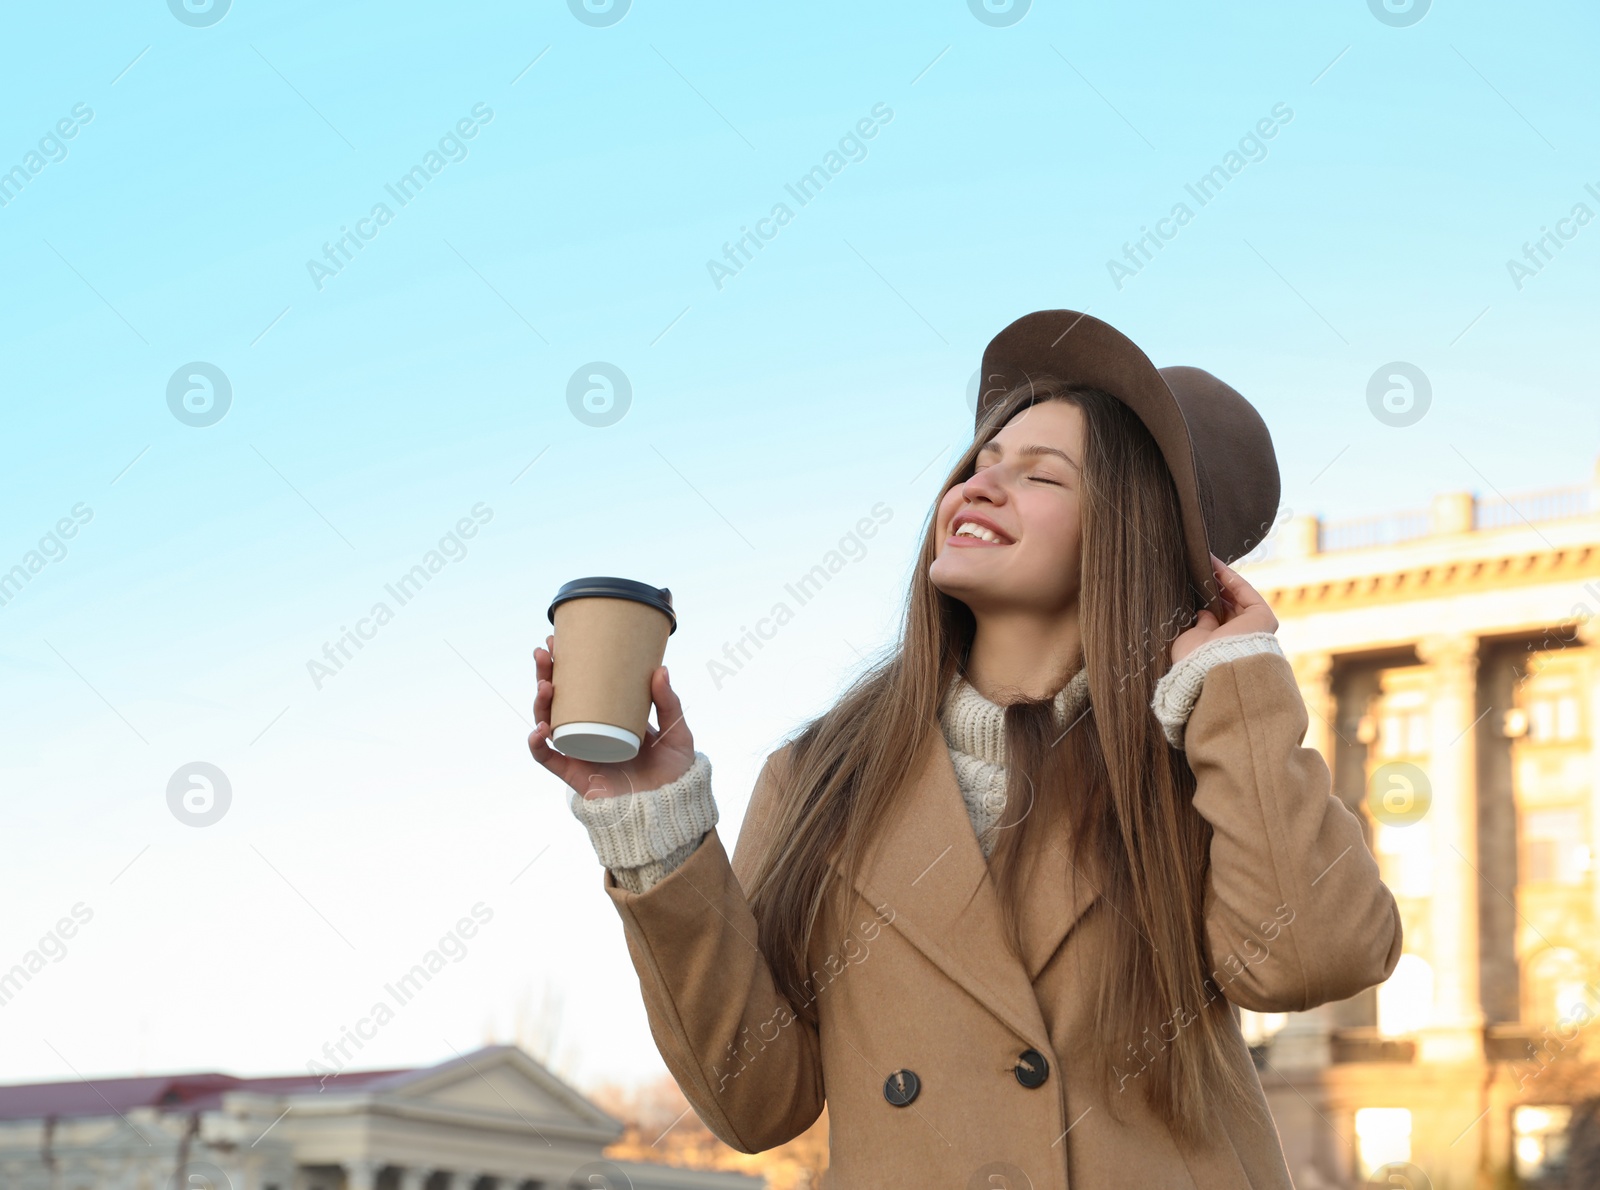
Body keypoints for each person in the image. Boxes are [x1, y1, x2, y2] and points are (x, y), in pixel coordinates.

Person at [527, 309, 1403, 1188]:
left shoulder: (1194, 759)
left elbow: (1312, 959)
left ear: (1123, 535)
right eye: (980, 465)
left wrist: (1238, 680)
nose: (978, 488)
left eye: (1040, 476)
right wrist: (654, 823)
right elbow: (756, 1101)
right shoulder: (820, 776)